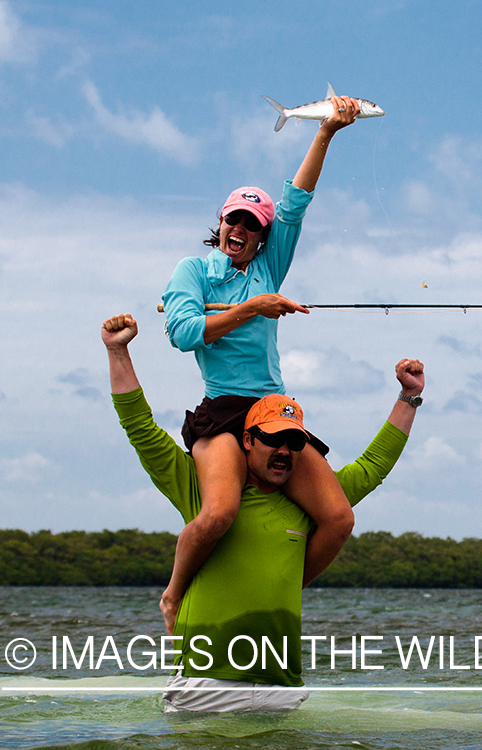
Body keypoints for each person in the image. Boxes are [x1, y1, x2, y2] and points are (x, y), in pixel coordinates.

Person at [102, 313, 424, 711]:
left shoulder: (312, 508)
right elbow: (141, 429)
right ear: (248, 441)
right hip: (206, 685)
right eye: (274, 440)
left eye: (293, 443)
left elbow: (373, 466)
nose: (284, 451)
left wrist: (408, 397)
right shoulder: (198, 489)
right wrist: (118, 351)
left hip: (281, 686)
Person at [159, 97, 363, 634]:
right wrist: (255, 306)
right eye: (234, 221)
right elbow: (182, 333)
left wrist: (327, 132)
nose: (240, 232)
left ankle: (275, 583)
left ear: (262, 235)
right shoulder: (192, 271)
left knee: (340, 519)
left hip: (274, 408)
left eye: (251, 226)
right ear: (220, 222)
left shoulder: (271, 262)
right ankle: (174, 594)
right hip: (223, 406)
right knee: (220, 513)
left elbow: (297, 200)